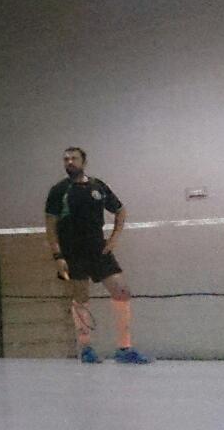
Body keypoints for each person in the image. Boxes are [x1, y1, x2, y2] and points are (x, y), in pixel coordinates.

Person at [44, 146, 150, 364]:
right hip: (72, 251)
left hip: (98, 250)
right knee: (81, 297)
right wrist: (58, 256)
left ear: (84, 162)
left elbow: (120, 210)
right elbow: (50, 225)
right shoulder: (59, 191)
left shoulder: (98, 186)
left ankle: (125, 348)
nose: (69, 162)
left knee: (121, 291)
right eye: (66, 159)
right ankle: (86, 348)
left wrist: (113, 239)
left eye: (73, 158)